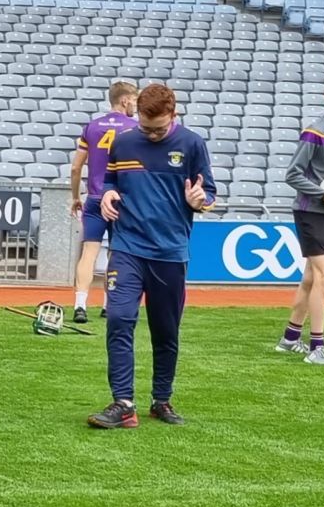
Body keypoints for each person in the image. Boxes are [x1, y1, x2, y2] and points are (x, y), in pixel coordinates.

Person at [88, 82, 216, 429]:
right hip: (128, 248)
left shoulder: (192, 144)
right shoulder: (124, 141)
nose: (150, 133)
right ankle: (123, 403)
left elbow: (210, 193)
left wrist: (199, 202)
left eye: (157, 128)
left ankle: (161, 399)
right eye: (145, 126)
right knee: (118, 320)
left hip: (170, 252)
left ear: (173, 115)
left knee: (166, 331)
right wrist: (108, 195)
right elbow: (110, 179)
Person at [70, 81, 139, 324]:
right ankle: (108, 305)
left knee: (89, 252)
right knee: (116, 252)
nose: (136, 105)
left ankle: (80, 304)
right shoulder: (134, 128)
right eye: (134, 100)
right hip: (121, 200)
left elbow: (76, 166)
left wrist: (76, 196)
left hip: (95, 197)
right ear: (124, 100)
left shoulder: (91, 127)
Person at [280, 82, 324, 364]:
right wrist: (322, 193)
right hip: (310, 211)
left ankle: (290, 338)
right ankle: (317, 347)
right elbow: (292, 174)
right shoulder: (314, 132)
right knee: (323, 276)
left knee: (312, 277)